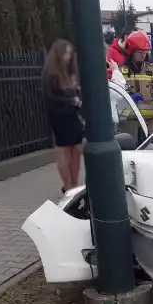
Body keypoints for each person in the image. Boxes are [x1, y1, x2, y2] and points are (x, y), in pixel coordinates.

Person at [43, 39, 83, 194]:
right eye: (66, 52)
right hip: (59, 115)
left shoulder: (71, 72)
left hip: (73, 114)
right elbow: (50, 97)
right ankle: (68, 185)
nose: (69, 56)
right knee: (64, 148)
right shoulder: (51, 73)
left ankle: (73, 181)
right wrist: (70, 100)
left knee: (77, 147)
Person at [119, 31, 153, 131]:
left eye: (146, 53)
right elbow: (115, 97)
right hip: (129, 122)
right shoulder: (120, 72)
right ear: (131, 52)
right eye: (140, 52)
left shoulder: (152, 71)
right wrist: (129, 98)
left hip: (150, 122)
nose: (143, 56)